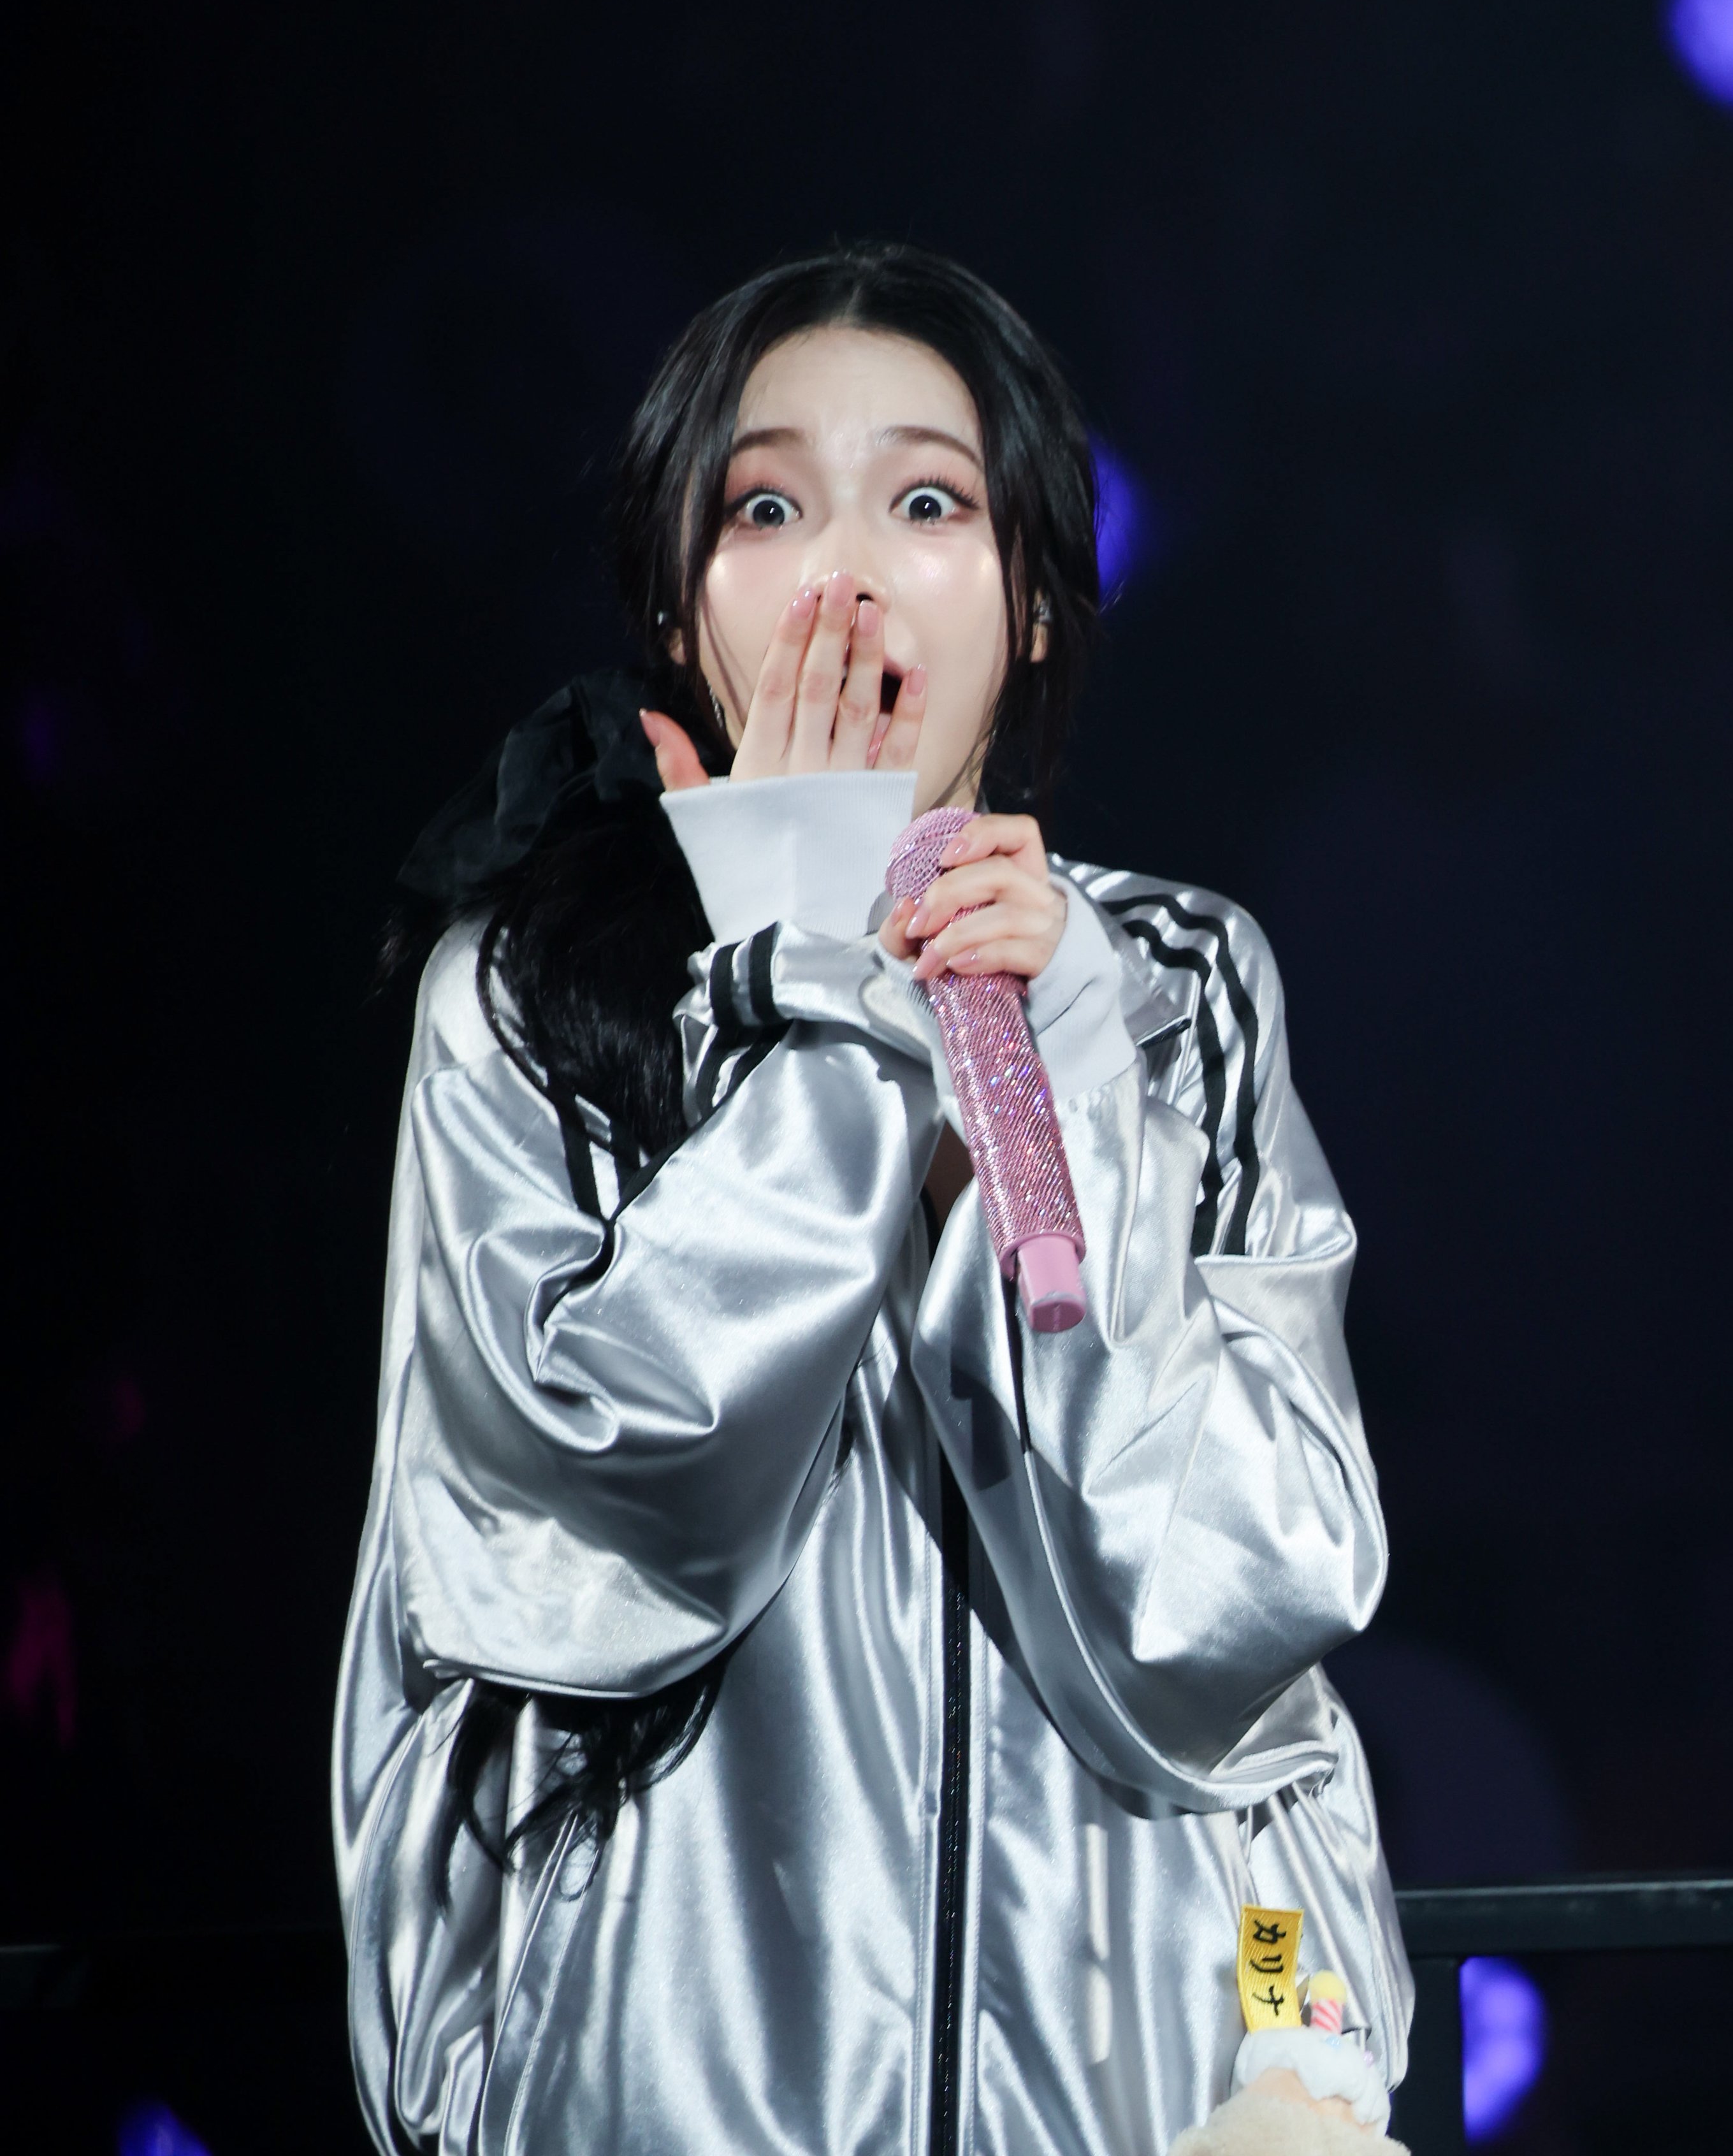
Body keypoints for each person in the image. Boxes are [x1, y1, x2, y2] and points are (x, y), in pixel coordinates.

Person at [332, 243, 1412, 2156]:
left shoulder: (1175, 984)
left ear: (1036, 599)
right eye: (765, 508)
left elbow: (1258, 1587)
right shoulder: (526, 996)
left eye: (927, 502)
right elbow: (599, 1519)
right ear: (673, 606)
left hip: (1151, 2084)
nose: (843, 571)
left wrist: (1069, 1067)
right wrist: (815, 988)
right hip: (678, 2092)